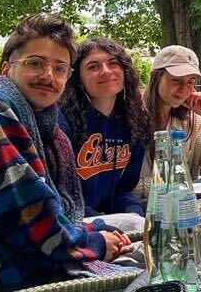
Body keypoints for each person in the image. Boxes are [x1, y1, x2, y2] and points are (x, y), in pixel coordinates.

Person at [0, 14, 129, 291]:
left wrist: (95, 233)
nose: (48, 76)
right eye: (35, 63)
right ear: (6, 69)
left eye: (60, 68)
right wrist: (97, 243)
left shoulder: (51, 130)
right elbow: (27, 218)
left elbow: (58, 214)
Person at [134, 45, 201, 198]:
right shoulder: (130, 117)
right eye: (176, 80)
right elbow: (121, 185)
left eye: (190, 82)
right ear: (156, 77)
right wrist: (174, 184)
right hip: (137, 215)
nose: (184, 89)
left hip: (184, 211)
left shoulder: (193, 122)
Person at [60, 38, 151, 218]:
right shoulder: (62, 121)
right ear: (78, 78)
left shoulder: (135, 122)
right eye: (93, 67)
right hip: (72, 223)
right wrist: (102, 223)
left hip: (110, 224)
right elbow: (60, 196)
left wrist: (132, 211)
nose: (106, 71)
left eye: (113, 63)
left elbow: (121, 189)